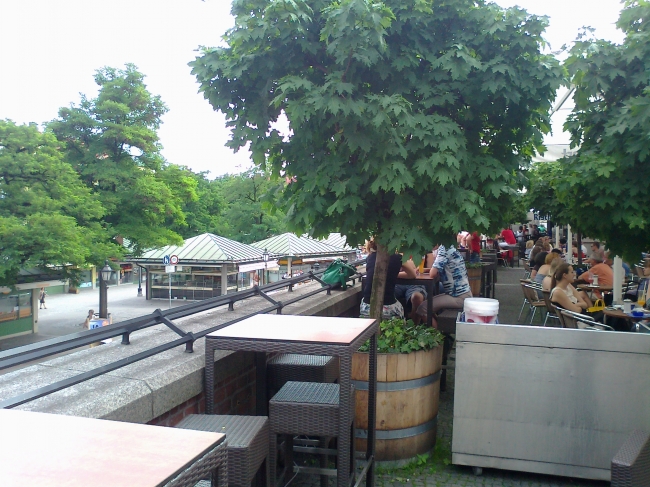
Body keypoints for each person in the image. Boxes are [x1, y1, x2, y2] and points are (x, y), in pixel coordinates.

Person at [414, 244, 471, 329]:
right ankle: (440, 332)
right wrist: (424, 270)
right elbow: (438, 269)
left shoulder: (443, 249)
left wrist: (429, 270)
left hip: (458, 297)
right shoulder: (449, 247)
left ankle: (437, 340)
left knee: (422, 309)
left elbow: (433, 274)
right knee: (429, 305)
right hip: (462, 294)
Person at [360, 240, 415, 319]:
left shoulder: (370, 257)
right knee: (402, 311)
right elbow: (412, 275)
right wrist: (393, 273)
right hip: (388, 307)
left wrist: (387, 274)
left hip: (366, 306)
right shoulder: (397, 257)